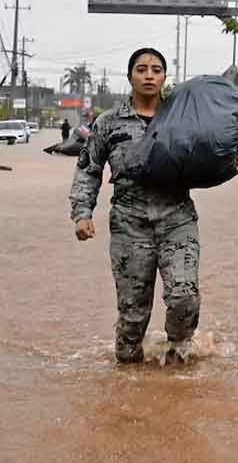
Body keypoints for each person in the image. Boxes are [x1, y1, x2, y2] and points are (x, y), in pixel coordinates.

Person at [69, 47, 202, 365]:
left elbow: (211, 154)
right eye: (141, 69)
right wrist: (82, 213)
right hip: (130, 223)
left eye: (156, 70)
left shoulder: (181, 119)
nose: (149, 75)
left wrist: (234, 160)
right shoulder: (109, 123)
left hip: (177, 218)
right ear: (130, 76)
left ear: (165, 77)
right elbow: (89, 168)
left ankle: (178, 354)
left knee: (184, 296)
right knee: (132, 314)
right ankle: (129, 376)